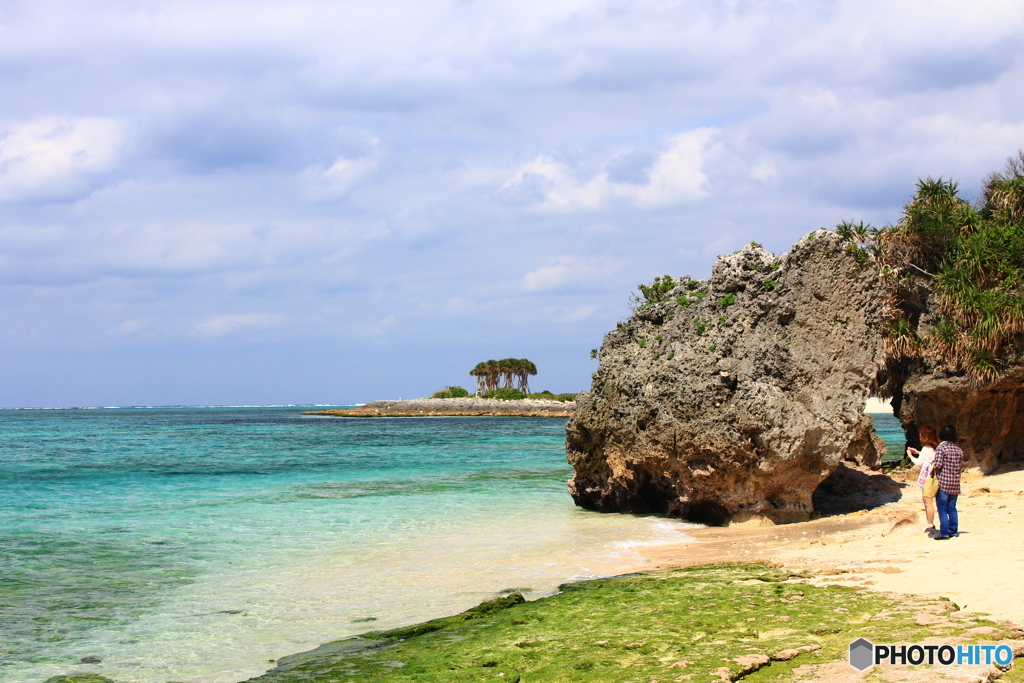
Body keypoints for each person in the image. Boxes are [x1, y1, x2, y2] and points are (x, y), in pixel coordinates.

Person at [931, 424, 964, 540]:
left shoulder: (942, 448)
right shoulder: (958, 450)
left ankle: (944, 533)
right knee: (952, 507)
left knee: (942, 508)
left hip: (943, 482)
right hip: (955, 482)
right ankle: (953, 531)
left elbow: (938, 465)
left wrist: (931, 464)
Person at [906, 424, 939, 531]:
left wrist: (910, 455)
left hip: (929, 477)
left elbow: (918, 462)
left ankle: (930, 524)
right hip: (938, 477)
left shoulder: (926, 448)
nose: (919, 435)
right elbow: (930, 457)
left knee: (928, 502)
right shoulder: (936, 447)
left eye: (921, 433)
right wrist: (919, 453)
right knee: (935, 501)